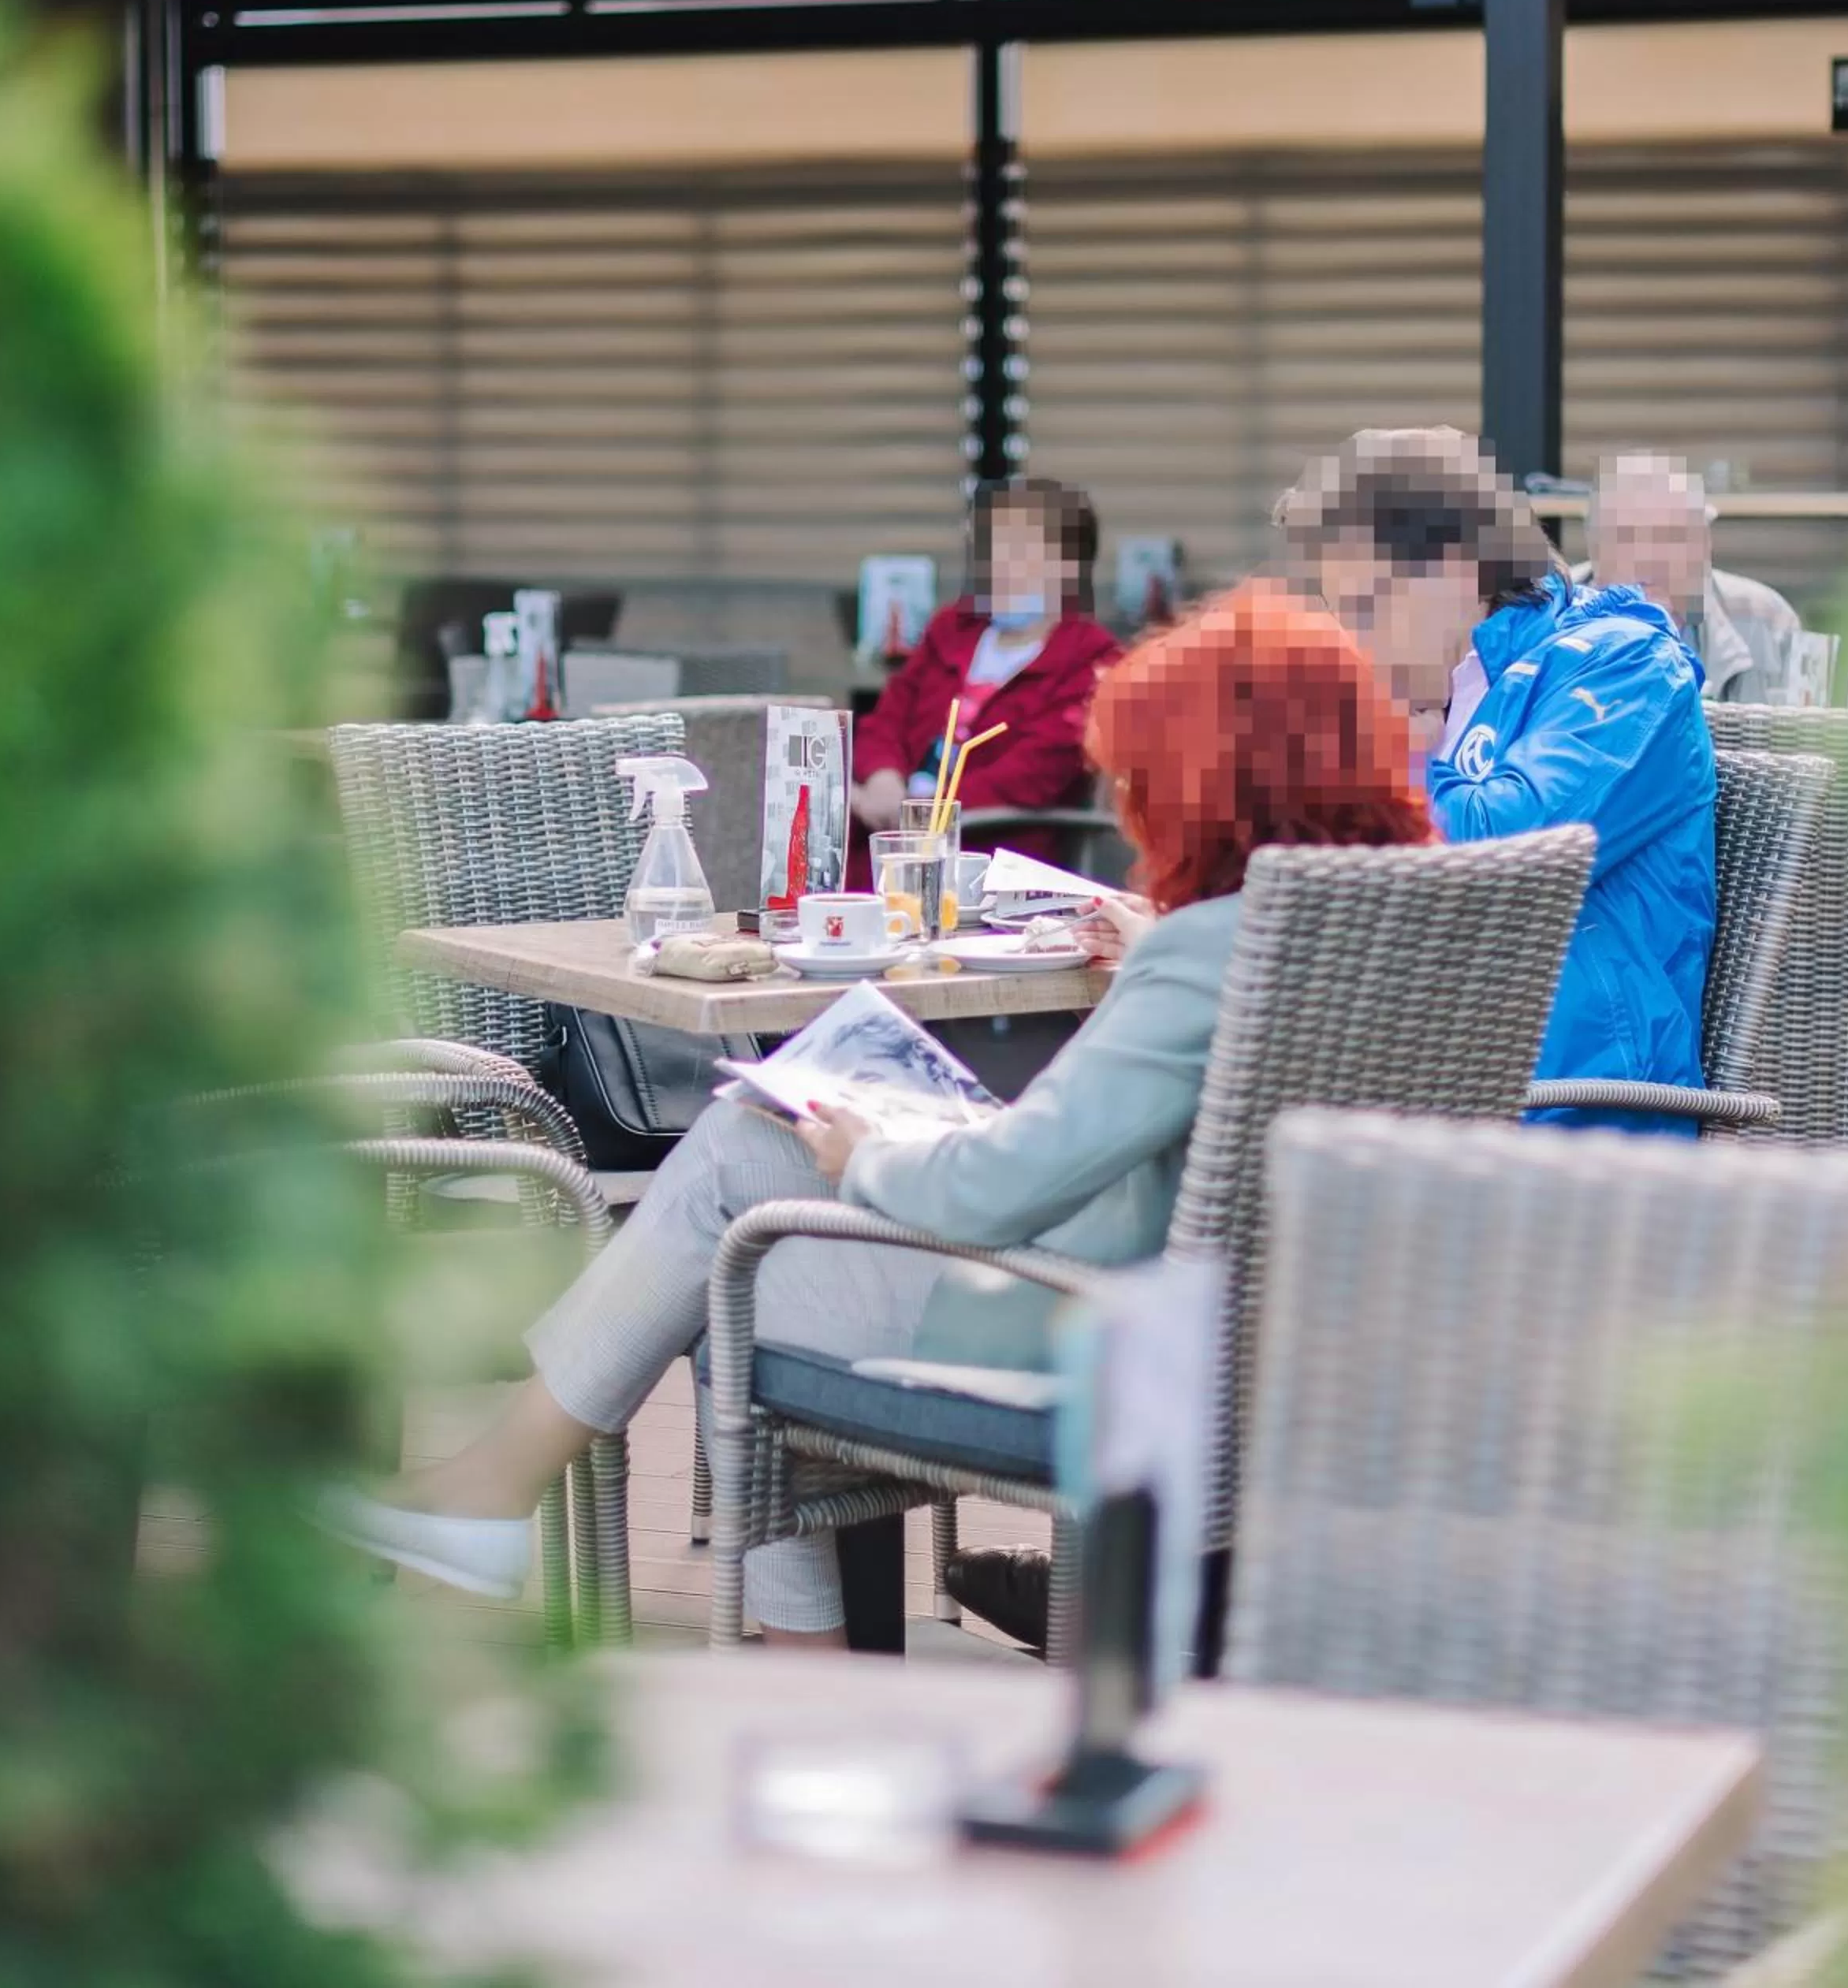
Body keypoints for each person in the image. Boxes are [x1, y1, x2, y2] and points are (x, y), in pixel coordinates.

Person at [317, 583, 1431, 1643]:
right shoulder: (1360, 926)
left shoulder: (1201, 954)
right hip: (1270, 1340)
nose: (1128, 806)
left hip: (1086, 1324)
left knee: (737, 1218)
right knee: (744, 1197)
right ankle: (511, 1501)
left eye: (1140, 782)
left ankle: (513, 1500)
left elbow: (999, 1189)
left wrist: (862, 1158)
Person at [1274, 426, 1717, 1133]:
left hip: (1570, 1121)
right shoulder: (1439, 696)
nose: (1351, 643)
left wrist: (1397, 757)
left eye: (1365, 607)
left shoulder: (1626, 667)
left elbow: (1500, 862)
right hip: (1420, 1100)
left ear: (1455, 570)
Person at [848, 478, 1121, 880]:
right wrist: (883, 778)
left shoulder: (1094, 662)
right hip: (885, 848)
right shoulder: (952, 629)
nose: (996, 566)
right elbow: (886, 720)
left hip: (987, 865)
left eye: (1017, 552)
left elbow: (1032, 778)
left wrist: (910, 815)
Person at [1580, 452, 1802, 705]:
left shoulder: (1768, 621)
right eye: (1628, 537)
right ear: (1593, 549)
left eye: (1671, 536)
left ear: (1705, 545)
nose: (1650, 557)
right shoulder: (1546, 617)